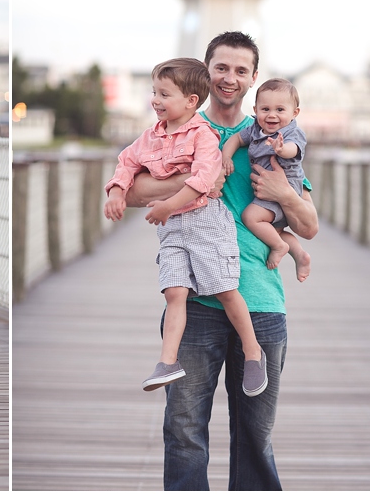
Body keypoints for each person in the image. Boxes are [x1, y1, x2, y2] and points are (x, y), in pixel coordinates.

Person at [125, 32, 318, 492]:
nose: (229, 78)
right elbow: (133, 191)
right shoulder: (181, 130)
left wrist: (283, 193)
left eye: (240, 70)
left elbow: (307, 226)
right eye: (221, 68)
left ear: (253, 79)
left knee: (255, 434)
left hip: (262, 301)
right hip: (196, 304)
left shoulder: (270, 137)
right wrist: (198, 179)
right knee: (184, 430)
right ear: (206, 72)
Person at [104, 59, 268, 397]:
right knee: (174, 291)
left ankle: (253, 351)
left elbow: (205, 179)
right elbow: (127, 162)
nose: (156, 100)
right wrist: (118, 191)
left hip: (205, 220)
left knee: (223, 289)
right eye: (154, 92)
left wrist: (167, 204)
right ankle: (168, 361)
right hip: (173, 228)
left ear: (191, 101)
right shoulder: (151, 136)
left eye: (165, 94)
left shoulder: (202, 135)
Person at [221, 78, 311, 282]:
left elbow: (294, 150)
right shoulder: (255, 129)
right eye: (265, 109)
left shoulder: (291, 133)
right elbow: (236, 139)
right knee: (275, 230)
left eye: (280, 110)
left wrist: (281, 149)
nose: (272, 115)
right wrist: (226, 157)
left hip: (281, 192)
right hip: (266, 195)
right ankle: (299, 254)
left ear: (294, 113)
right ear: (255, 109)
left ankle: (279, 247)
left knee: (251, 218)